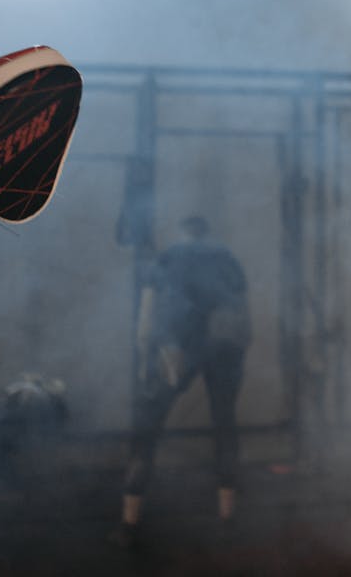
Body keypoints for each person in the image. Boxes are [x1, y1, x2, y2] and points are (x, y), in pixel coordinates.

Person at [111, 215, 249, 548]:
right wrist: (240, 350)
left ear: (182, 232)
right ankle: (228, 519)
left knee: (147, 429)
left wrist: (147, 358)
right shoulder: (227, 258)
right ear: (206, 232)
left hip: (178, 345)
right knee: (224, 425)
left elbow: (146, 318)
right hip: (224, 344)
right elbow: (243, 311)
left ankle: (130, 524)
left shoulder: (168, 256)